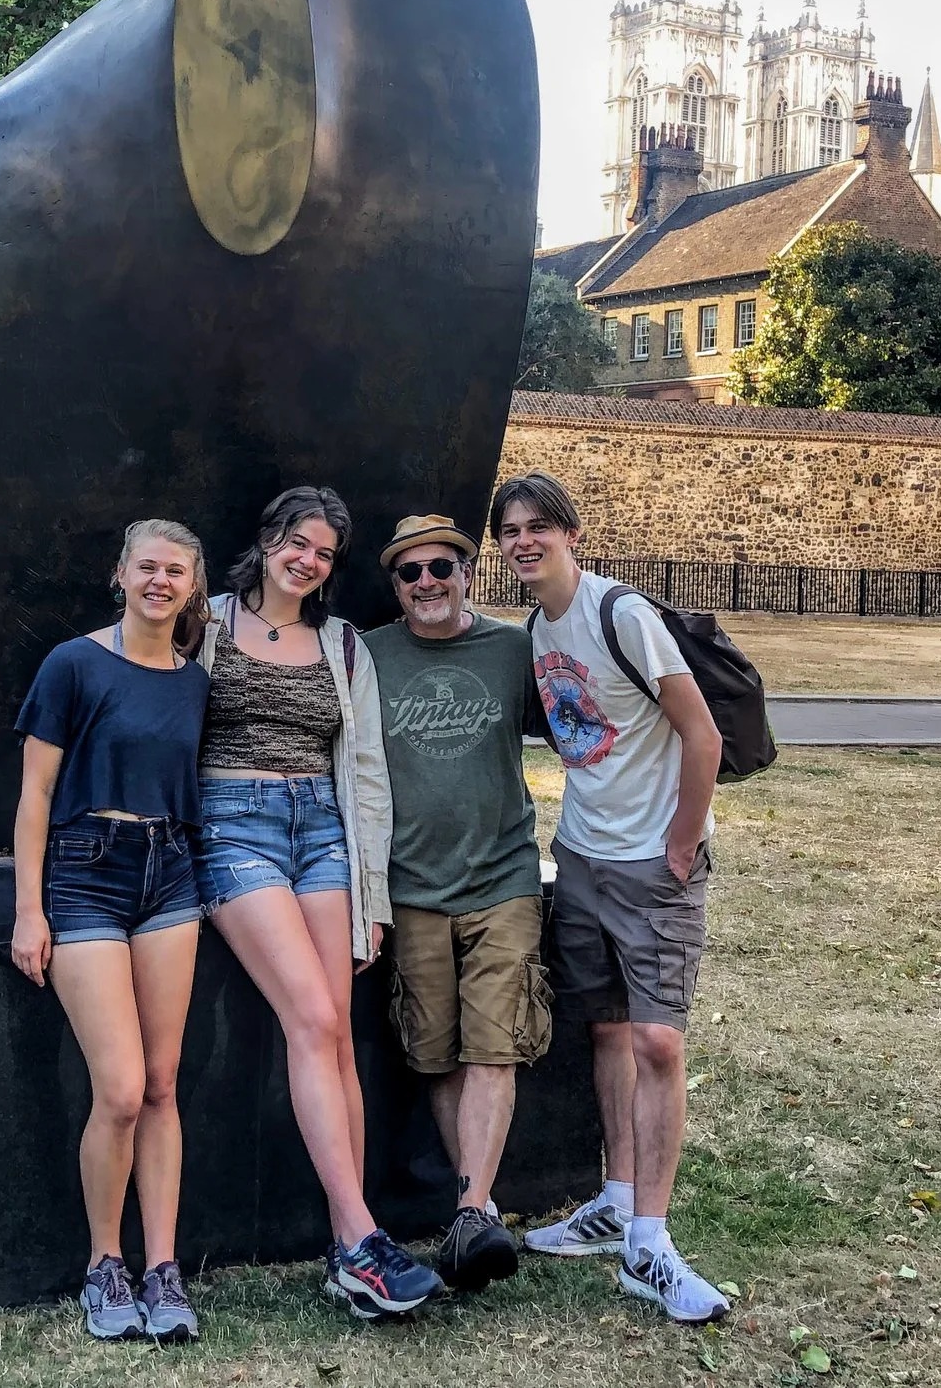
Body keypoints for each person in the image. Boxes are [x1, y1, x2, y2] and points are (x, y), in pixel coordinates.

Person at [197, 486, 443, 1318]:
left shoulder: (341, 646)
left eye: (325, 552)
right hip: (234, 826)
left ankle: (353, 1246)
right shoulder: (208, 622)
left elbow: (366, 773)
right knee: (310, 1017)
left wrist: (371, 893)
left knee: (336, 1033)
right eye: (297, 543)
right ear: (267, 540)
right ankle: (362, 1239)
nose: (308, 560)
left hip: (322, 833)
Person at [494, 470, 730, 1325]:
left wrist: (682, 838)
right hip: (583, 856)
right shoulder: (536, 626)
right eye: (511, 529)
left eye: (538, 527)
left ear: (571, 534)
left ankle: (651, 1245)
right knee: (606, 1029)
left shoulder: (619, 612)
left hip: (650, 862)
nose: (524, 541)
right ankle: (617, 1199)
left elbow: (701, 731)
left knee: (659, 1040)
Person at [10, 520, 214, 1343]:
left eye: (176, 571)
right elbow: (33, 796)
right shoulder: (73, 664)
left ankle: (161, 1266)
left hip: (170, 869)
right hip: (85, 867)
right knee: (122, 1088)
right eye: (147, 566)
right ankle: (106, 1263)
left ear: (194, 587)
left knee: (163, 1084)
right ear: (120, 574)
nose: (160, 581)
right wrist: (29, 908)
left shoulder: (196, 682)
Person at [361, 513, 545, 1292]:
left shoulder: (511, 650)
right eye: (411, 573)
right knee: (434, 1050)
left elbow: (585, 714)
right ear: (395, 586)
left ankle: (471, 1209)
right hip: (412, 886)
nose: (427, 582)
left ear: (468, 571)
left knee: (493, 1042)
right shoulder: (368, 655)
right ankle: (480, 1213)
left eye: (442, 567)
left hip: (502, 875)